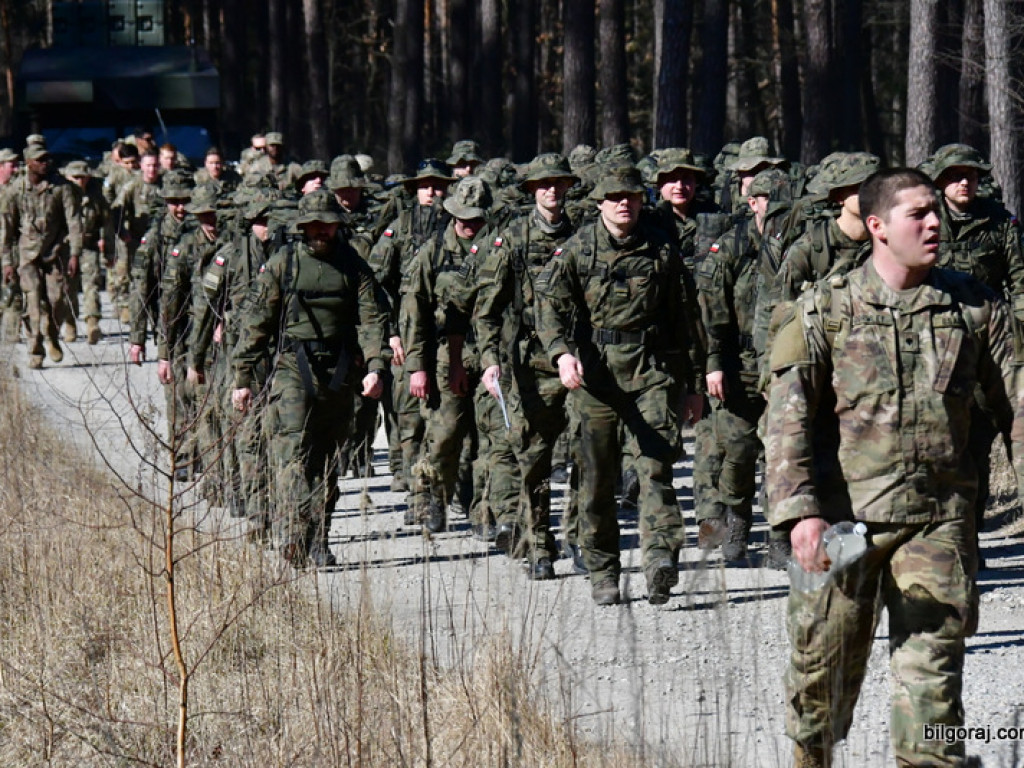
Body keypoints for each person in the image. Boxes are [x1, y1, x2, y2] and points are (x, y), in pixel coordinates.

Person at [764, 167, 1024, 767]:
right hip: (840, 526)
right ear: (877, 226)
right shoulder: (824, 311)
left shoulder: (975, 308)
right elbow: (787, 418)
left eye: (936, 210)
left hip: (936, 522)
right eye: (918, 214)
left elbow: (1018, 407)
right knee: (818, 696)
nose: (935, 222)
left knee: (933, 698)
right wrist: (799, 510)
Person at [535, 164, 705, 605]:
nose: (623, 204)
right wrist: (562, 354)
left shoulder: (662, 251)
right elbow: (549, 307)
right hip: (596, 378)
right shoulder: (578, 251)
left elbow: (685, 322)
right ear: (599, 204)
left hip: (650, 373)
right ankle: (603, 569)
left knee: (654, 468)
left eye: (631, 197)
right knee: (595, 478)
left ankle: (660, 560)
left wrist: (692, 385)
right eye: (614, 198)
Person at [232, 190, 387, 567]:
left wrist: (375, 367)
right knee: (293, 455)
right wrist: (242, 378)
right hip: (292, 369)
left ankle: (320, 538)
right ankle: (295, 533)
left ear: (337, 225)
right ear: (303, 227)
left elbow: (372, 320)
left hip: (340, 370)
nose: (321, 230)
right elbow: (256, 324)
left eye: (327, 223)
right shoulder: (283, 264)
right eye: (314, 224)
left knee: (329, 459)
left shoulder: (355, 266)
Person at [474, 152, 578, 578]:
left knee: (588, 453)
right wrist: (490, 359)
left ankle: (581, 536)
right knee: (533, 457)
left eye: (558, 183)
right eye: (543, 184)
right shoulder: (512, 239)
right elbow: (487, 309)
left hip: (578, 362)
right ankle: (539, 545)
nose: (552, 190)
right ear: (532, 190)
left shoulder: (583, 236)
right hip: (527, 365)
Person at [925, 143, 1024, 569]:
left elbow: (1020, 283)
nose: (964, 182)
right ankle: (966, 540)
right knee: (964, 449)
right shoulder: (927, 223)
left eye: (970, 175)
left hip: (997, 348)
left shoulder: (1000, 224)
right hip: (944, 350)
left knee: (1007, 437)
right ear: (941, 181)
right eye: (954, 175)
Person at [402, 176, 493, 533]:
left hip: (488, 351)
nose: (469, 225)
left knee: (490, 436)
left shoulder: (499, 249)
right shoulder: (433, 252)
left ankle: (484, 509)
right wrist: (416, 366)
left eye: (477, 218)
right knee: (446, 432)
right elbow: (414, 310)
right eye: (462, 217)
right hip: (444, 352)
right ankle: (432, 499)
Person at [0, 144, 82, 368]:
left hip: (56, 253)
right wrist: (7, 263)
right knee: (33, 300)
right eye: (39, 160)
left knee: (57, 300)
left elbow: (74, 222)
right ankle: (35, 351)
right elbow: (6, 231)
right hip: (27, 256)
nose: (45, 163)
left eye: (47, 159)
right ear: (28, 163)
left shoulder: (61, 188)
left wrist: (74, 254)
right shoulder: (15, 190)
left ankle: (52, 335)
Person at [65, 160, 108, 344]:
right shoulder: (62, 195)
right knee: (69, 287)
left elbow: (106, 221)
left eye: (83, 178)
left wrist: (107, 244)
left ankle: (92, 322)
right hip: (66, 247)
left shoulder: (95, 196)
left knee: (92, 283)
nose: (80, 182)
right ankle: (70, 324)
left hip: (89, 245)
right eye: (75, 178)